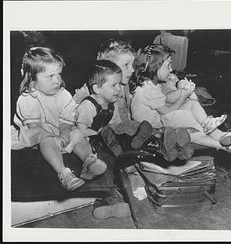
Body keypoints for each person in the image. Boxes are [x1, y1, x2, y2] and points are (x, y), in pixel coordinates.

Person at [12, 46, 107, 191]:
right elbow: (35, 129)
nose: (57, 80)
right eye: (50, 76)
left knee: (77, 135)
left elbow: (66, 122)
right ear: (31, 78)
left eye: (59, 74)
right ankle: (64, 173)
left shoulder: (63, 95)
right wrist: (55, 139)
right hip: (34, 135)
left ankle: (89, 161)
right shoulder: (27, 99)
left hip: (57, 131)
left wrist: (64, 133)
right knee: (45, 138)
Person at [131, 44, 231, 155]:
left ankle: (222, 136)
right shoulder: (147, 89)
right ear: (154, 67)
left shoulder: (151, 84)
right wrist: (183, 95)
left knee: (192, 105)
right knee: (192, 128)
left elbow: (166, 100)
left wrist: (183, 92)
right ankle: (226, 143)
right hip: (153, 127)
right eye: (168, 65)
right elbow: (166, 111)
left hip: (160, 119)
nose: (171, 69)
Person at [95, 39, 193, 161]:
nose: (131, 69)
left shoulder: (125, 84)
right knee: (139, 131)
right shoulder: (100, 88)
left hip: (133, 129)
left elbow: (148, 91)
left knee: (145, 129)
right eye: (126, 65)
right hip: (113, 135)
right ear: (107, 68)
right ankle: (163, 144)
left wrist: (173, 82)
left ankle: (169, 143)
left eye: (132, 64)